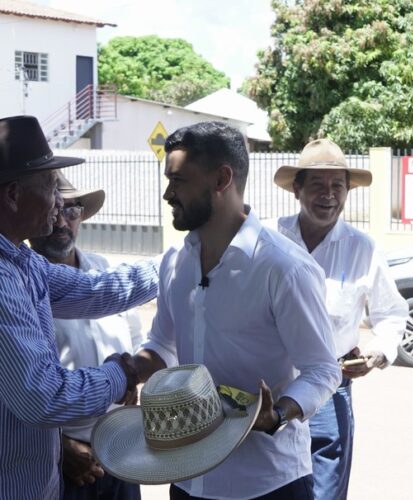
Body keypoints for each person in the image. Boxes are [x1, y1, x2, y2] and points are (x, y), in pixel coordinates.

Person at [129, 121, 341, 499]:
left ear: (222, 179)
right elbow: (163, 342)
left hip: (267, 483)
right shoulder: (175, 263)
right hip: (187, 476)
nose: (167, 194)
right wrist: (126, 372)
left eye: (178, 181)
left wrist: (276, 414)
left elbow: (323, 370)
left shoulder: (284, 267)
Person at [0, 115, 158, 500]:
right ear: (13, 195)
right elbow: (44, 396)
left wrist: (180, 263)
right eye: (51, 188)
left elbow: (95, 290)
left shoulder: (22, 263)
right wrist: (124, 373)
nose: (59, 205)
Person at [271, 138, 409, 500]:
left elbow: (392, 312)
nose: (328, 195)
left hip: (331, 392)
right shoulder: (269, 238)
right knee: (270, 487)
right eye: (317, 184)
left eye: (338, 186)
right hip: (270, 389)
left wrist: (378, 352)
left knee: (325, 492)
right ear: (297, 189)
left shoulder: (362, 248)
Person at [29, 174, 143, 500]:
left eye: (71, 211)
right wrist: (60, 447)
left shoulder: (105, 272)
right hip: (63, 463)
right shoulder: (20, 285)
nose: (61, 222)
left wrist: (130, 375)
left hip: (120, 452)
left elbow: (134, 342)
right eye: (55, 210)